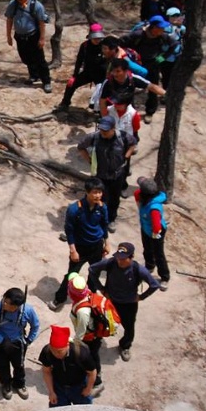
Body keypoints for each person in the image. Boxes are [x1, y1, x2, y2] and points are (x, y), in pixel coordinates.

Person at [88, 242, 160, 362]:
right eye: (118, 258)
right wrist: (101, 288)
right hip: (110, 301)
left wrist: (141, 297)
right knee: (102, 322)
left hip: (129, 305)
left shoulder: (138, 270)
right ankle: (96, 343)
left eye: (123, 259)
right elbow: (92, 269)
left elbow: (154, 284)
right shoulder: (111, 263)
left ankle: (125, 346)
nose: (119, 261)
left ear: (131, 257)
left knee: (129, 327)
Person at [47, 177, 109, 310]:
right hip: (80, 248)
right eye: (94, 192)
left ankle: (90, 296)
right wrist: (73, 250)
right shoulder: (75, 209)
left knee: (94, 273)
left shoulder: (102, 208)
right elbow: (69, 231)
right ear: (87, 192)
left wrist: (106, 243)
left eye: (100, 192)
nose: (97, 195)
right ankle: (60, 298)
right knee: (72, 274)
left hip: (96, 246)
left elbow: (104, 226)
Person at [77, 114, 136, 231]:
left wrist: (126, 156)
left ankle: (111, 219)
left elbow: (133, 144)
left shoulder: (123, 137)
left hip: (117, 175)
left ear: (113, 128)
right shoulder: (94, 137)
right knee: (94, 197)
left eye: (106, 130)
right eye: (101, 129)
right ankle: (87, 220)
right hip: (100, 175)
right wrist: (89, 160)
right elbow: (81, 147)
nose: (103, 132)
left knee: (114, 199)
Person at [0, 287, 40, 400]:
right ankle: (6, 384)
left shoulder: (28, 311)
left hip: (18, 343)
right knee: (2, 365)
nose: (5, 304)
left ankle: (19, 384)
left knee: (19, 365)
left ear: (17, 306)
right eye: (5, 301)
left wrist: (28, 340)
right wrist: (2, 340)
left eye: (9, 304)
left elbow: (35, 326)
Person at [120, 16, 179, 120]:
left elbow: (174, 44)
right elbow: (121, 43)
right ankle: (131, 111)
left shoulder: (162, 36)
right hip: (136, 64)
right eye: (161, 28)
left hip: (153, 64)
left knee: (153, 88)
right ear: (154, 27)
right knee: (130, 86)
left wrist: (163, 57)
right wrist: (126, 57)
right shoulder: (138, 35)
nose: (163, 30)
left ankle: (150, 112)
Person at [5, 0, 52, 93]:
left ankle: (46, 81)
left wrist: (42, 38)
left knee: (40, 59)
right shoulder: (13, 4)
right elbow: (9, 19)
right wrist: (8, 36)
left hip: (33, 36)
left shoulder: (37, 5)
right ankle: (34, 75)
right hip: (20, 36)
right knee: (25, 57)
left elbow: (41, 23)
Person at [66, 273, 105, 395]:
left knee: (91, 357)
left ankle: (97, 382)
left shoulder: (83, 311)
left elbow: (81, 333)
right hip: (91, 335)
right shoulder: (86, 294)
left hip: (90, 339)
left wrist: (72, 342)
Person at [40, 325, 97, 407]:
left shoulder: (81, 353)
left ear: (67, 345)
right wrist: (51, 392)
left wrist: (88, 388)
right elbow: (46, 372)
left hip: (79, 387)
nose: (56, 354)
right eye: (53, 350)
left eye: (59, 351)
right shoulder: (47, 352)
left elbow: (92, 372)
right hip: (59, 388)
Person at [55, 23, 107, 113]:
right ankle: (65, 103)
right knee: (71, 85)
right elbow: (79, 61)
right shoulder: (85, 46)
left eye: (99, 38)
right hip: (88, 72)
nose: (97, 40)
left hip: (101, 75)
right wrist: (74, 75)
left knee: (101, 94)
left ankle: (101, 113)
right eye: (95, 38)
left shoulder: (105, 46)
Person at [97, 57, 164, 120]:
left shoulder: (133, 79)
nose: (115, 74)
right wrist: (105, 119)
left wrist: (167, 94)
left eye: (118, 71)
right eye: (113, 71)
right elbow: (102, 102)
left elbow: (152, 87)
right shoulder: (107, 82)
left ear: (125, 71)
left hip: (128, 114)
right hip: (112, 114)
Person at [134, 176, 170, 291]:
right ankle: (149, 266)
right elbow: (136, 193)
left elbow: (156, 226)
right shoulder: (145, 198)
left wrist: (154, 235)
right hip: (146, 228)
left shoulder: (154, 207)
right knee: (147, 249)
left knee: (158, 254)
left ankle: (164, 277)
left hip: (156, 231)